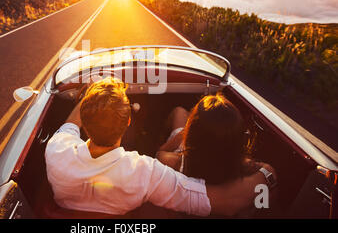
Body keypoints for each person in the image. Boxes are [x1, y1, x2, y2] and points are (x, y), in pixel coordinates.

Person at [45, 78, 276, 217]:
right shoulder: (146, 172)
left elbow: (70, 124)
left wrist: (93, 93)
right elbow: (220, 203)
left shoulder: (57, 150)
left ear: (84, 122)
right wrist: (266, 175)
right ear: (128, 122)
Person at [156, 94, 265, 184]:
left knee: (178, 111)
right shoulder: (247, 170)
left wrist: (184, 132)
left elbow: (159, 153)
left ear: (192, 135)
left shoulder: (175, 163)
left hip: (186, 155)